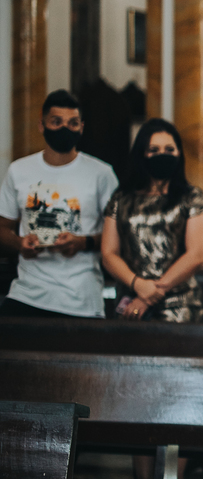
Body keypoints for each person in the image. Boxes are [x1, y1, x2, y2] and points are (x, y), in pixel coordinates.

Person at [0, 90, 118, 318]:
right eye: (56, 122)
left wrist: (82, 242)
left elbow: (119, 234)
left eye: (73, 123)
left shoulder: (101, 174)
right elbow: (2, 228)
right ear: (41, 126)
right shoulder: (19, 170)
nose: (65, 129)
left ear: (82, 127)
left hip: (81, 298)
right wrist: (19, 243)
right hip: (27, 294)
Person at [101, 119, 203, 322]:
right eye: (154, 149)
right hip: (129, 302)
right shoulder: (121, 198)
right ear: (142, 153)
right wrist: (138, 285)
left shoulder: (193, 197)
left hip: (180, 306)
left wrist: (149, 296)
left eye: (170, 149)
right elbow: (109, 253)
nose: (163, 154)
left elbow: (196, 254)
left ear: (179, 153)